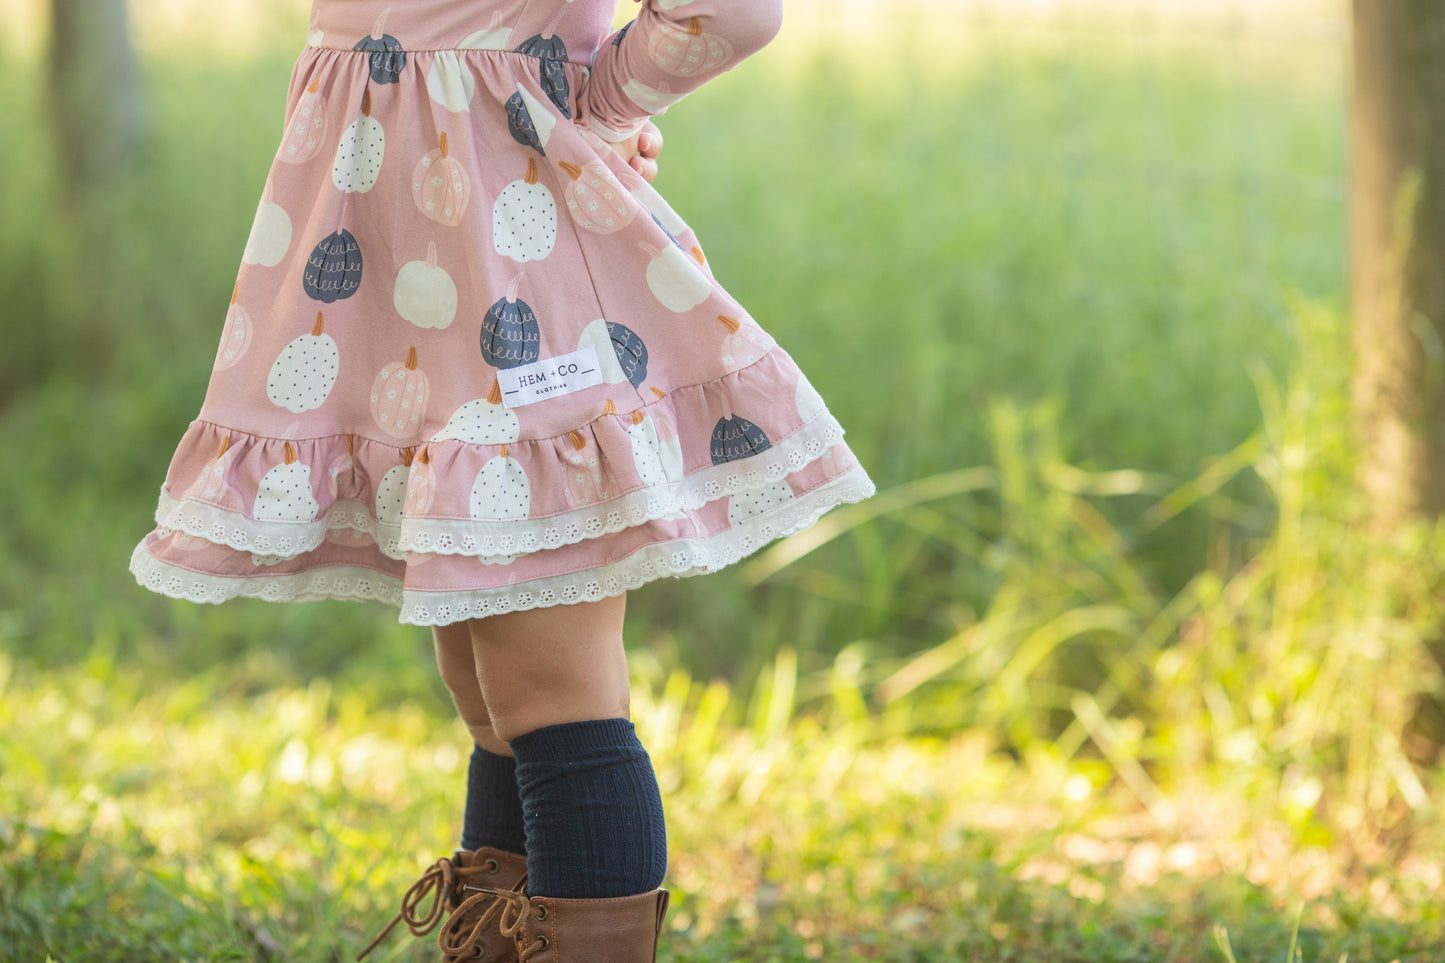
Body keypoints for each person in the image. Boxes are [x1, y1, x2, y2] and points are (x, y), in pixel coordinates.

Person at [129, 1, 874, 960]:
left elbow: (732, 9)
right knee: (488, 687)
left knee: (547, 683)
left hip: (511, 254)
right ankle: (497, 942)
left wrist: (600, 109)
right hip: (399, 273)